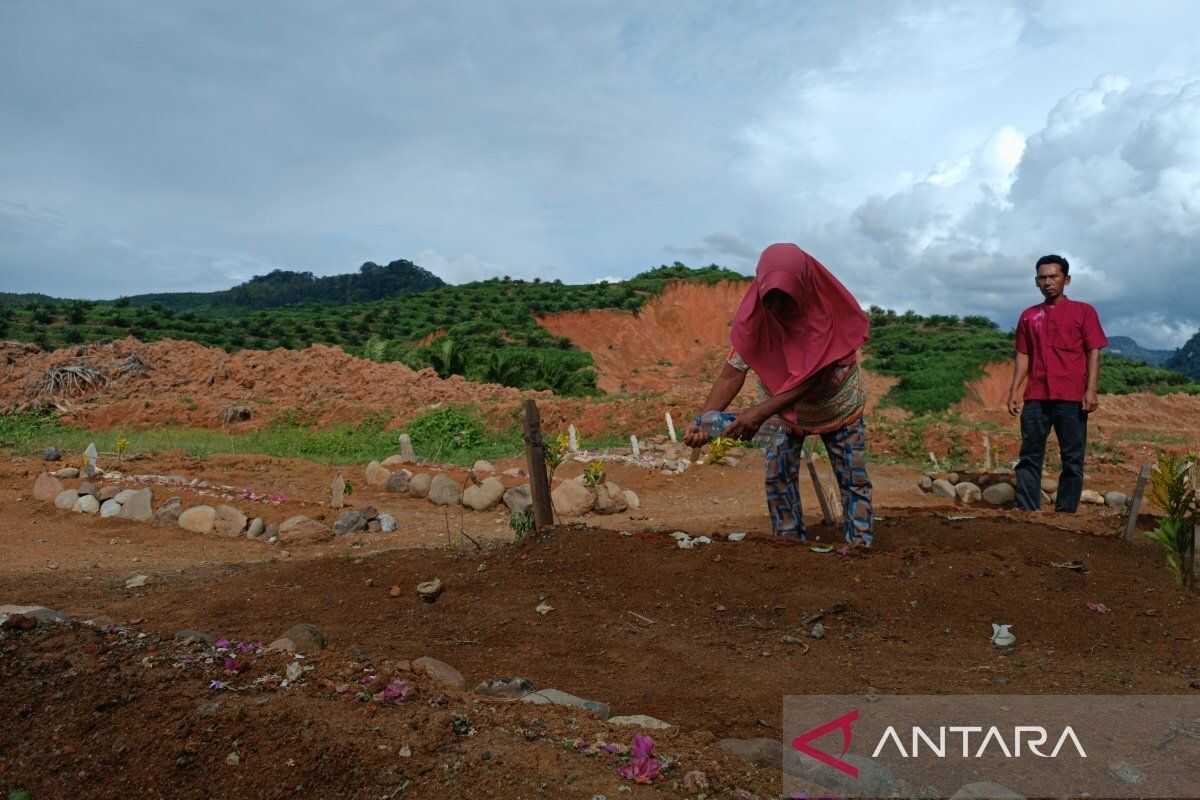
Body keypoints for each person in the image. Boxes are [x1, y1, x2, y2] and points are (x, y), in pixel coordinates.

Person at [683, 243, 874, 546]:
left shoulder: (828, 316)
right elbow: (732, 371)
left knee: (853, 480)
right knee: (778, 476)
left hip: (835, 406)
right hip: (781, 410)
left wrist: (759, 413)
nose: (775, 309)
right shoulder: (757, 316)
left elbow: (814, 379)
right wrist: (704, 421)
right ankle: (788, 545)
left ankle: (859, 547)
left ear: (802, 288)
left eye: (784, 300)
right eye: (769, 299)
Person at [1007, 254, 1108, 512]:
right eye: (1043, 277)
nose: (1048, 282)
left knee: (1072, 459)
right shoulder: (1029, 316)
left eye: (1054, 276)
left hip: (1072, 396)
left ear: (1067, 279)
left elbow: (1093, 351)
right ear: (1036, 282)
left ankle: (1065, 514)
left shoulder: (1084, 312)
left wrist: (1091, 390)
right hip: (1036, 396)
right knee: (1029, 456)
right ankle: (1028, 512)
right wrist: (1014, 391)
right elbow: (1023, 354)